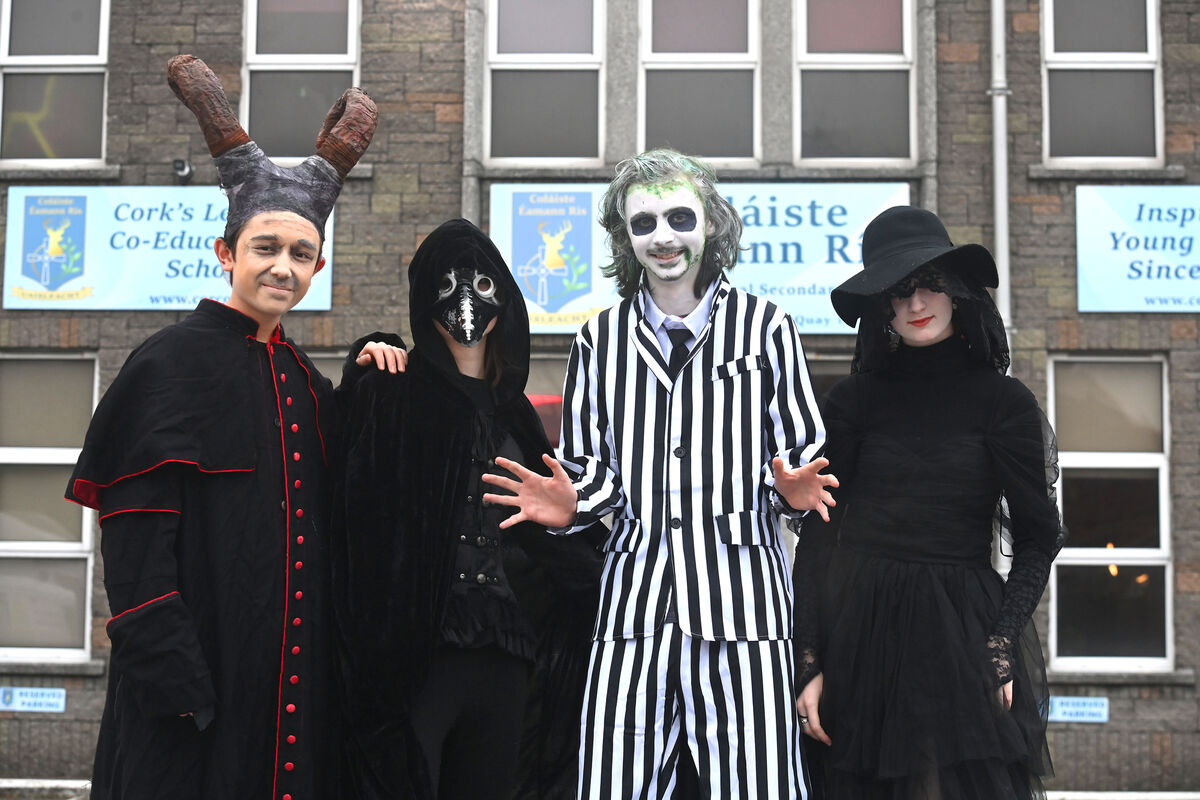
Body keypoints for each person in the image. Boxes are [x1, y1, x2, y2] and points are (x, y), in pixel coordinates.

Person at [65, 55, 403, 800]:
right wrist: (175, 681)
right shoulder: (166, 367)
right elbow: (135, 548)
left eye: (300, 254)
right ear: (225, 254)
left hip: (292, 704)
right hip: (191, 704)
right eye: (266, 248)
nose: (283, 267)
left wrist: (377, 374)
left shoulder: (310, 385)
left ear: (317, 269)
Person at [481, 149, 835, 799]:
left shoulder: (766, 328)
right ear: (625, 237)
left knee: (757, 783)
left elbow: (799, 456)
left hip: (743, 611)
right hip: (635, 606)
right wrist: (574, 501)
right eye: (643, 223)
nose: (664, 236)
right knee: (616, 780)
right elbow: (595, 471)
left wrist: (789, 494)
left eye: (678, 216)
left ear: (712, 224)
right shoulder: (599, 340)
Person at [793, 205, 1066, 799]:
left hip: (962, 633)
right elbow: (818, 537)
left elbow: (1040, 537)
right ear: (881, 308)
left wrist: (1000, 642)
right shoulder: (852, 403)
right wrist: (809, 661)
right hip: (859, 634)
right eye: (897, 292)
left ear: (957, 291)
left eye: (928, 286)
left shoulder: (1004, 404)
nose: (915, 305)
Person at [331, 218, 604, 800]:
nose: (464, 303)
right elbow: (341, 500)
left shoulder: (517, 419)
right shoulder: (390, 389)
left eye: (482, 287)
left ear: (505, 299)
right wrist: (362, 364)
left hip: (504, 661)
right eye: (446, 285)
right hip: (412, 662)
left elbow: (558, 542)